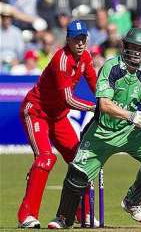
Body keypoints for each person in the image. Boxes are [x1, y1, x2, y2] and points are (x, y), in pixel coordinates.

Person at [47, 28, 141, 229]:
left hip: (129, 133)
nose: (135, 53)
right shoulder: (111, 67)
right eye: (132, 47)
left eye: (140, 49)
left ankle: (133, 202)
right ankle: (63, 218)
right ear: (124, 47)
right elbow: (104, 105)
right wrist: (133, 115)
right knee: (77, 177)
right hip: (101, 133)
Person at [17, 20, 98, 228]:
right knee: (45, 158)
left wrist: (108, 102)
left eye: (83, 39)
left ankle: (83, 213)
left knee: (80, 161)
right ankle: (27, 215)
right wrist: (95, 108)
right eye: (76, 39)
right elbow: (68, 100)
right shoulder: (60, 60)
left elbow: (96, 86)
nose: (80, 43)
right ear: (68, 40)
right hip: (36, 112)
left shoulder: (86, 57)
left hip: (58, 117)